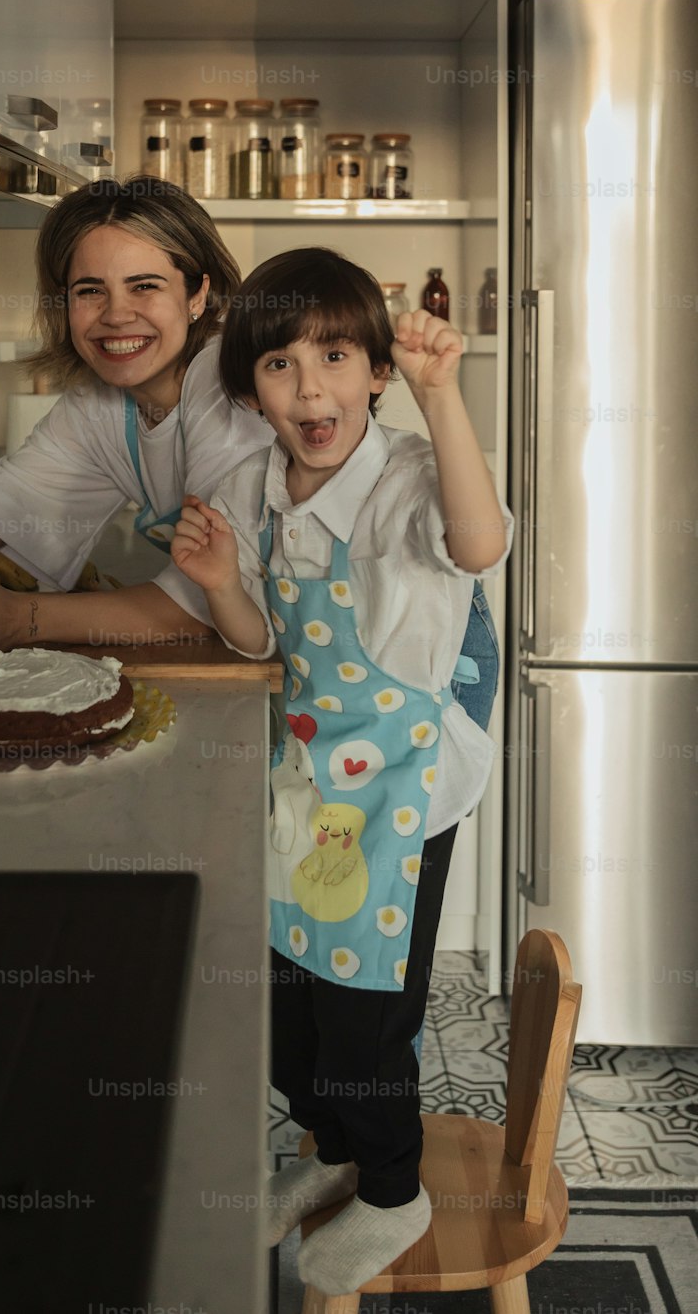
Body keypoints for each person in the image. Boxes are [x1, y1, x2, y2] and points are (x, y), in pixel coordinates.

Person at [170, 248, 512, 1297]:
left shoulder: (411, 473)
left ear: (374, 371)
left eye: (334, 355)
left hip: (406, 786)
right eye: (278, 364)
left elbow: (480, 542)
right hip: (312, 778)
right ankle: (331, 1154)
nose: (309, 386)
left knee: (365, 1005)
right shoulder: (248, 485)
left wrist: (442, 395)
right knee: (287, 997)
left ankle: (393, 1187)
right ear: (247, 388)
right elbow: (250, 643)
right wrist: (223, 584)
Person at [0, 177, 272, 655]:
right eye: (90, 291)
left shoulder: (230, 385)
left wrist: (24, 619)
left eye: (145, 286)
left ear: (197, 294)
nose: (116, 315)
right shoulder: (103, 402)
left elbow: (210, 601)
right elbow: (7, 509)